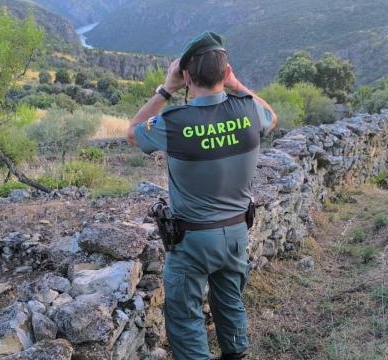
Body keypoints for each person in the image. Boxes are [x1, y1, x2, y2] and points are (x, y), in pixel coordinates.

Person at [127, 31, 278, 360]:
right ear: (225, 74)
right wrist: (237, 85)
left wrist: (165, 89)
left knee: (184, 317)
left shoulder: (173, 121)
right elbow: (272, 115)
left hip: (193, 241)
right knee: (230, 301)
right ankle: (236, 353)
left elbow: (132, 133)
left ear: (186, 76)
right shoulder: (249, 111)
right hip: (237, 232)